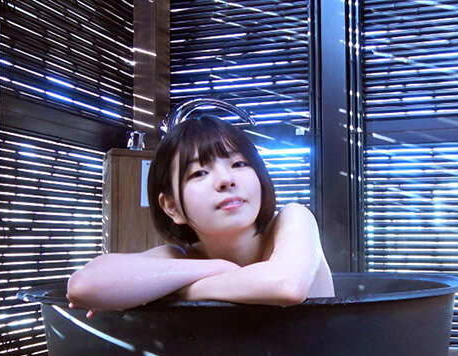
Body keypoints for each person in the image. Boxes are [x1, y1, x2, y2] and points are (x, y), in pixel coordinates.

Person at [66, 116, 335, 316]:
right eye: (200, 173)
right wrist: (218, 268)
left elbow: (286, 285)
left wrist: (178, 290)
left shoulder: (294, 218)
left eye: (239, 163)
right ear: (172, 207)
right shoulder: (182, 258)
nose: (226, 179)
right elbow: (84, 286)